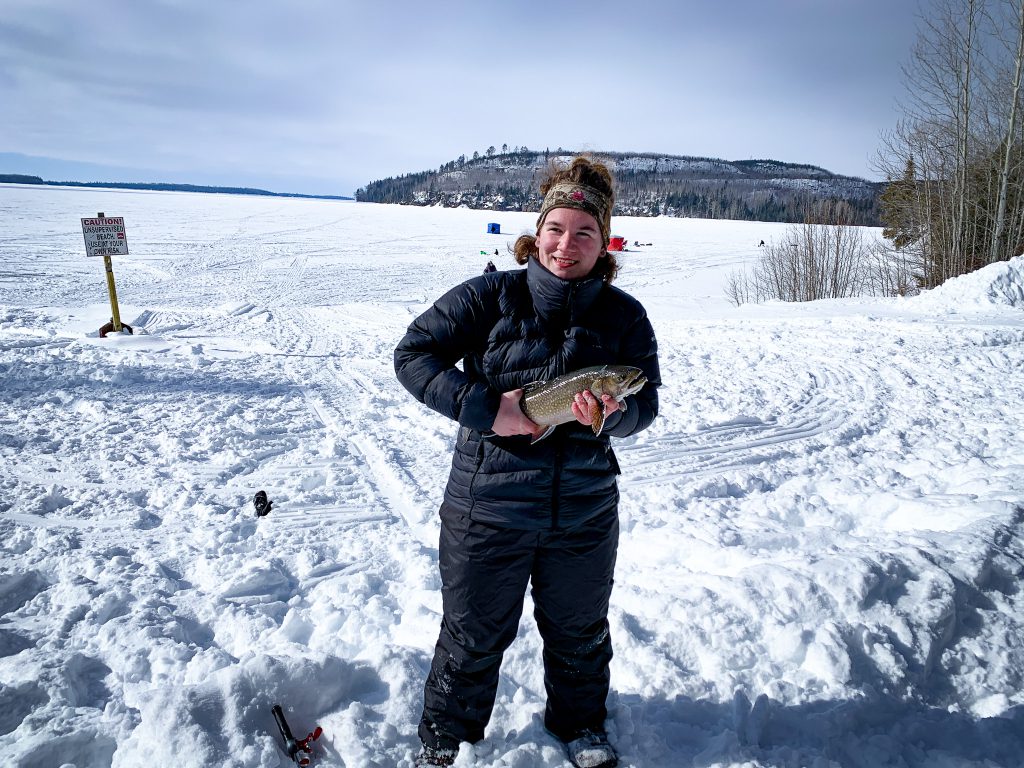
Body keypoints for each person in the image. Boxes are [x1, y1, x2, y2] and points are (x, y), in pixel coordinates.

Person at [394, 156, 660, 768]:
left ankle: (582, 728)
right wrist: (488, 409)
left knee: (580, 633)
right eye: (556, 230)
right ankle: (444, 740)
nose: (567, 245)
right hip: (487, 508)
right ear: (536, 234)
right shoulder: (489, 297)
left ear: (604, 243)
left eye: (584, 233)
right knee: (472, 633)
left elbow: (645, 402)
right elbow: (413, 356)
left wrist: (613, 416)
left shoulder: (625, 318)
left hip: (584, 513)